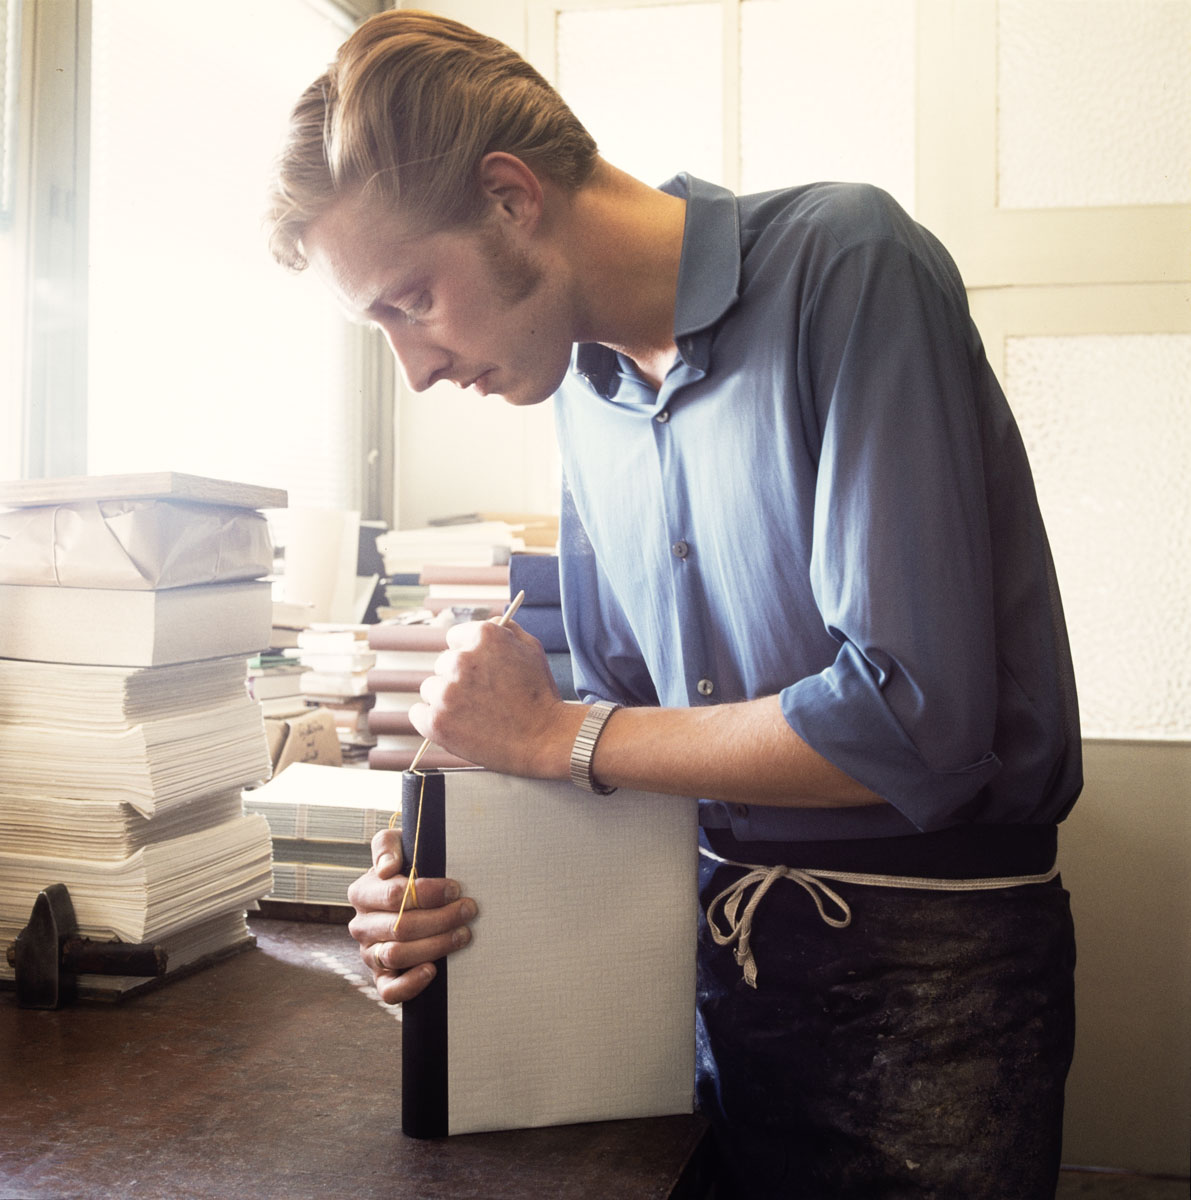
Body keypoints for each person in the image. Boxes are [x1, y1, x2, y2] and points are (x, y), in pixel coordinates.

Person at [267, 11, 1082, 1198]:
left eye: (410, 303)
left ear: (509, 197)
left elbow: (916, 722)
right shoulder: (580, 399)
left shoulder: (847, 265)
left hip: (937, 985)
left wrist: (556, 736)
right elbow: (626, 724)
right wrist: (443, 868)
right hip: (687, 973)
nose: (420, 369)